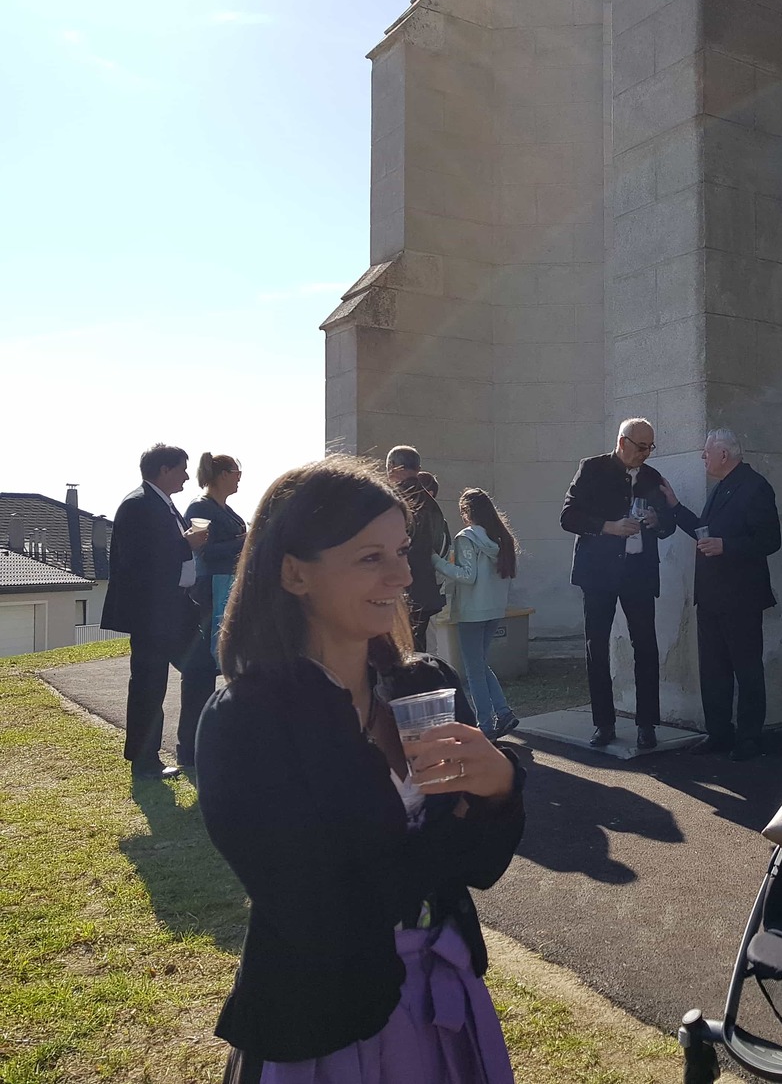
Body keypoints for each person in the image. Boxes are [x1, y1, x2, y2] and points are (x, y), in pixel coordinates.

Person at [196, 454, 525, 1084]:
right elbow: (319, 912)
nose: (402, 575)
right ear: (295, 573)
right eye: (371, 557)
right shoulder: (248, 721)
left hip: (444, 999)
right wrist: (452, 828)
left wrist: (500, 789)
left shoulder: (422, 685)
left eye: (401, 551)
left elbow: (480, 868)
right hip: (324, 1022)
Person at [660, 428, 782, 760]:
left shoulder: (755, 487)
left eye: (707, 452)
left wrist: (726, 546)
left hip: (741, 597)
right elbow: (705, 533)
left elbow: (770, 540)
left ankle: (749, 738)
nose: (703, 457)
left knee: (747, 669)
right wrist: (675, 507)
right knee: (713, 671)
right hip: (712, 596)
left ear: (724, 455)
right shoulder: (722, 487)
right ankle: (719, 733)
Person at [560, 418, 679, 750]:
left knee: (646, 646)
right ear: (623, 442)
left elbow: (668, 525)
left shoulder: (652, 477)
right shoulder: (592, 469)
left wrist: (657, 521)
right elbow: (568, 516)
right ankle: (604, 723)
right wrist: (608, 527)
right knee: (596, 646)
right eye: (641, 447)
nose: (646, 453)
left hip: (638, 573)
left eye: (650, 447)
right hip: (599, 574)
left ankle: (647, 724)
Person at [100, 442, 210, 780]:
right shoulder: (137, 505)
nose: (187, 477)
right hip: (152, 614)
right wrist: (185, 544)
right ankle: (144, 761)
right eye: (182, 470)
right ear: (164, 470)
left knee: (202, 668)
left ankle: (192, 748)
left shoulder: (163, 504)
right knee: (149, 684)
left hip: (175, 609)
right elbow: (136, 560)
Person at [433, 487, 522, 742]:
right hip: (494, 609)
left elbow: (467, 575)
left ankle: (486, 724)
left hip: (472, 611)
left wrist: (436, 561)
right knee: (480, 665)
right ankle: (503, 713)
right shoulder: (501, 537)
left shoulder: (466, 537)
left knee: (474, 671)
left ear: (466, 512)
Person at [178, 452, 247, 768]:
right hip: (209, 593)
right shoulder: (200, 508)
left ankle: (209, 743)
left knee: (224, 667)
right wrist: (244, 540)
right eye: (235, 471)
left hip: (226, 589)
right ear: (221, 475)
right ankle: (191, 747)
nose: (239, 477)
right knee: (201, 671)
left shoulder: (225, 509)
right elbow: (204, 551)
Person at [386, 446, 450, 651]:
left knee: (396, 653)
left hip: (397, 592)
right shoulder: (433, 505)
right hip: (425, 592)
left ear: (392, 467)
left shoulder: (392, 500)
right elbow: (440, 547)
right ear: (418, 469)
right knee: (417, 652)